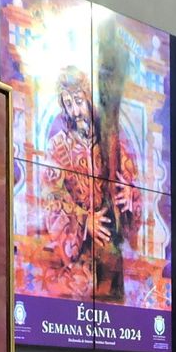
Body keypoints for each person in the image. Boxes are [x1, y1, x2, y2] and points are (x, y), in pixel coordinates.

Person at [43, 65, 140, 302]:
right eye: (69, 103)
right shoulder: (58, 148)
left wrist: (130, 194)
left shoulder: (112, 142)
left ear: (88, 98)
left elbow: (130, 182)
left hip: (111, 260)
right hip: (77, 265)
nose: (76, 111)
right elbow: (52, 202)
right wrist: (85, 221)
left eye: (79, 101)